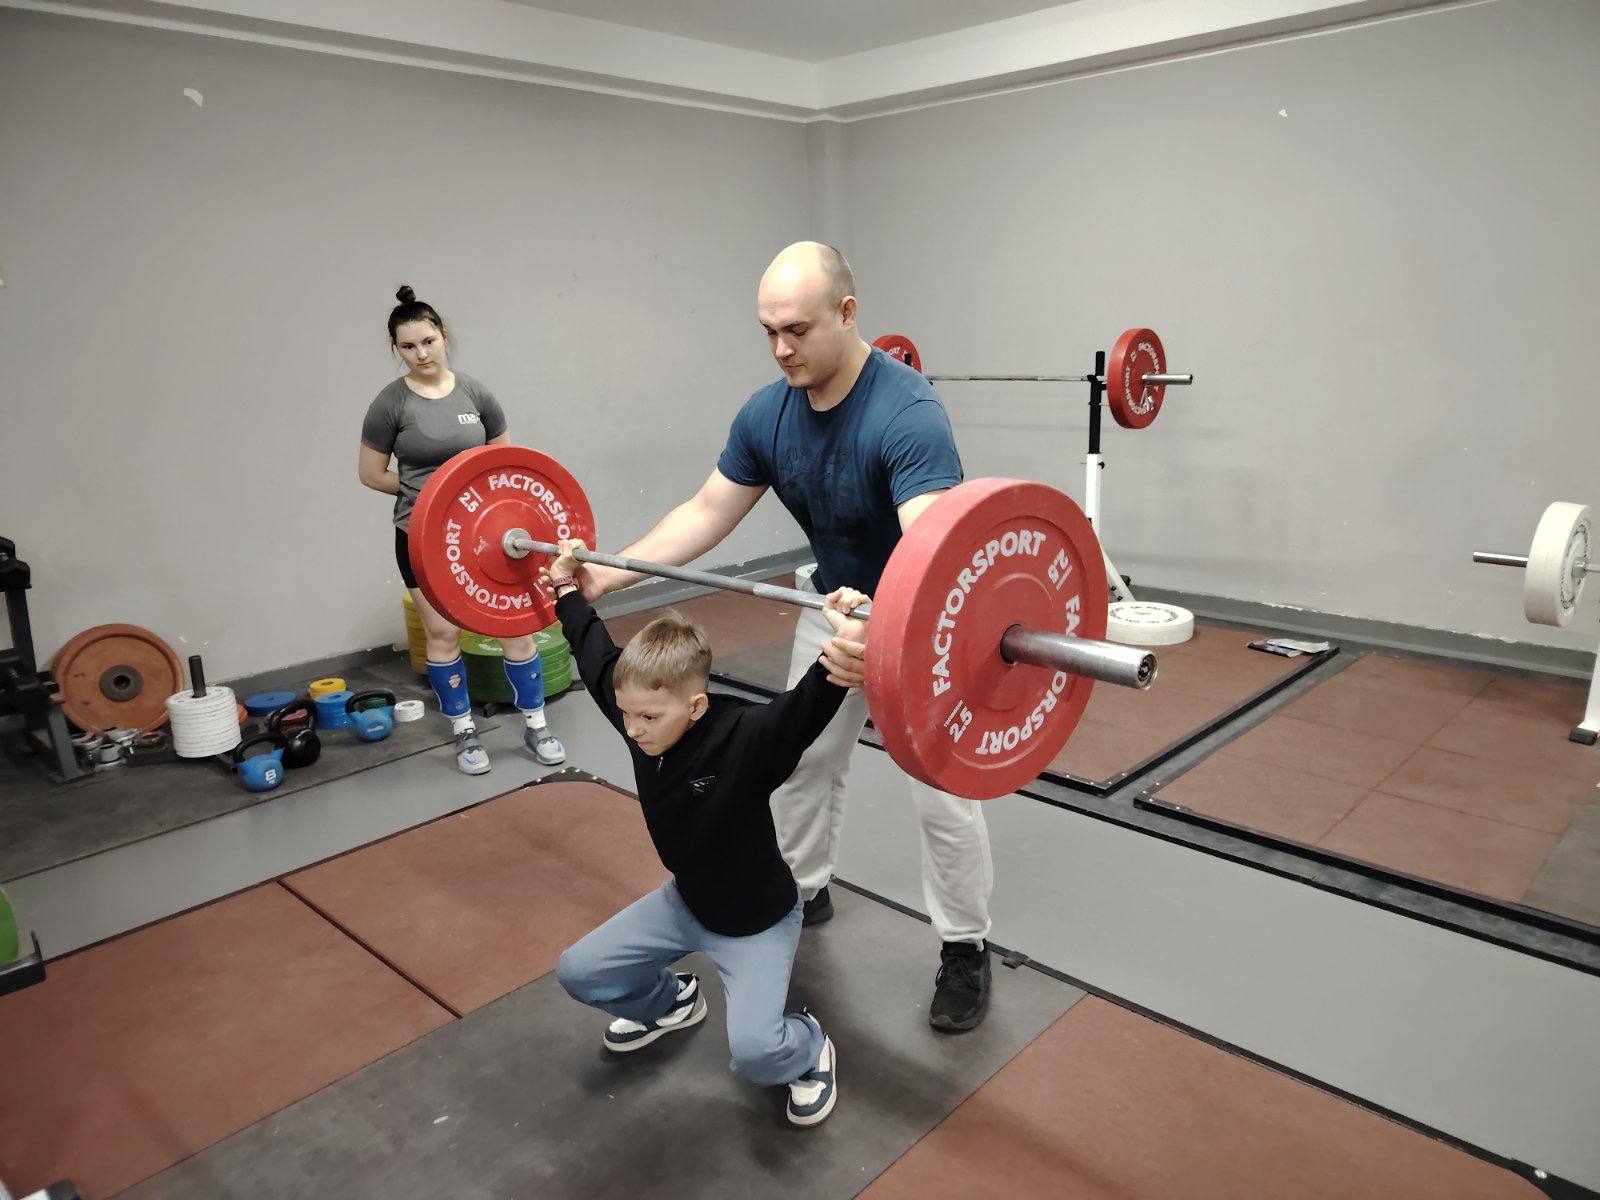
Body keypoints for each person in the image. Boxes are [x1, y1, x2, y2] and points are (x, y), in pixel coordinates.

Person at [574, 243, 995, 1032]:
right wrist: (610, 575)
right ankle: (799, 893)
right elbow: (708, 509)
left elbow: (931, 550)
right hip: (829, 606)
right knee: (801, 762)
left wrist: (883, 626)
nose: (780, 348)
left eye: (796, 329)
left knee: (943, 798)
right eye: (768, 331)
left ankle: (965, 946)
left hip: (922, 627)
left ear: (847, 312)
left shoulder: (907, 414)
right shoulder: (767, 414)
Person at [545, 538, 868, 1126]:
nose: (633, 731)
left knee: (756, 1054)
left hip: (758, 922)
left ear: (694, 707)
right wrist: (566, 585)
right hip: (686, 903)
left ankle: (809, 1046)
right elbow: (591, 649)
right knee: (580, 971)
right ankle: (672, 1002)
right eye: (626, 714)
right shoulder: (639, 712)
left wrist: (843, 649)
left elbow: (802, 710)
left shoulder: (744, 739)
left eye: (648, 718)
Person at [358, 285, 565, 775]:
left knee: (515, 629)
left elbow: (504, 464)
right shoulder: (389, 404)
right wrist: (432, 499)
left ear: (443, 336)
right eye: (408, 346)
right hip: (420, 537)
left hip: (485, 538)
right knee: (443, 632)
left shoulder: (476, 394)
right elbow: (370, 474)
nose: (421, 353)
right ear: (396, 349)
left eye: (428, 341)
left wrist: (470, 506)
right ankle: (464, 731)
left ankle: (537, 725)